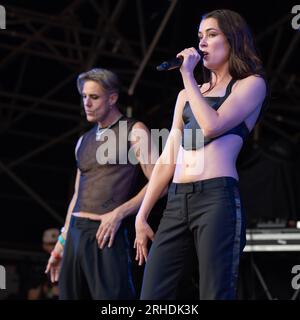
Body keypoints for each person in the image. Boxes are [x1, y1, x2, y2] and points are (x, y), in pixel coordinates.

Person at [134, 9, 267, 300]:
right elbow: (168, 159)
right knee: (152, 296)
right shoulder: (187, 95)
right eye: (199, 37)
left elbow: (212, 124)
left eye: (212, 34)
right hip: (176, 201)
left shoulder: (251, 85)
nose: (202, 43)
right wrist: (142, 215)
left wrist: (187, 76)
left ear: (232, 39)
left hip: (215, 198)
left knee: (214, 292)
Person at [45, 68, 155, 299]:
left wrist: (119, 213)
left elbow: (159, 182)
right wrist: (62, 241)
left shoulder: (134, 131)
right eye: (84, 96)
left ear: (112, 98)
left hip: (106, 232)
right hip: (75, 233)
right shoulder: (82, 141)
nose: (87, 103)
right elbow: (77, 195)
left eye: (94, 97)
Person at [27, 228, 60, 300]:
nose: (53, 247)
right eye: (50, 244)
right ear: (44, 245)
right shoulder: (41, 264)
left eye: (55, 243)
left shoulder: (68, 260)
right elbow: (34, 290)